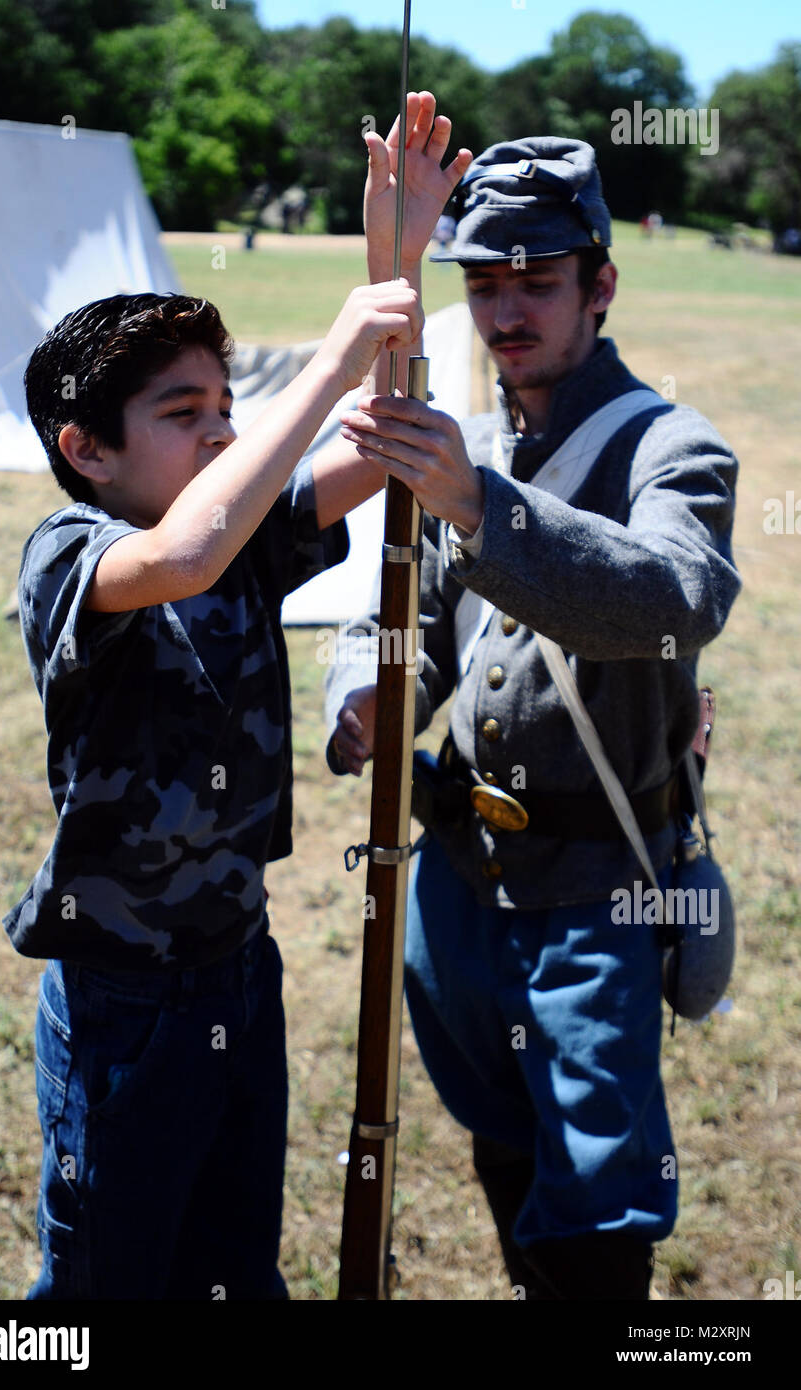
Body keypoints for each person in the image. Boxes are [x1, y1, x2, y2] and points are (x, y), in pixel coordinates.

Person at [5, 92, 471, 1301]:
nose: (220, 435)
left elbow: (382, 445)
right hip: (123, 998)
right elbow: (186, 556)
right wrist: (325, 358)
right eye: (182, 415)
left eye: (226, 408)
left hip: (235, 970)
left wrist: (396, 265)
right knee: (107, 1284)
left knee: (230, 1272)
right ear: (85, 448)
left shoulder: (244, 532)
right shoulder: (73, 553)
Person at [325, 137, 741, 1300]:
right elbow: (406, 615)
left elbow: (676, 600)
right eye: (481, 284)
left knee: (597, 1198)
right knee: (499, 1129)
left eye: (536, 282)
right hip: (458, 875)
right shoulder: (474, 439)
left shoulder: (670, 445)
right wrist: (362, 691)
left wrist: (477, 503)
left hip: (597, 884)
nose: (503, 313)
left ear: (598, 284)